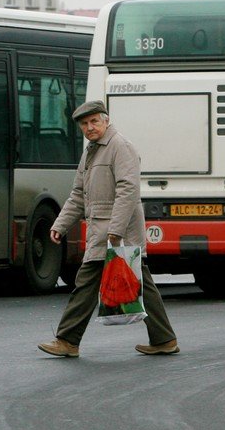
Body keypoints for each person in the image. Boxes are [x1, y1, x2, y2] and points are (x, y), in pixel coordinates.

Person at [38, 100, 178, 358]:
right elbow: (78, 194)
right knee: (139, 285)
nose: (89, 127)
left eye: (94, 122)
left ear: (106, 120)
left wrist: (116, 230)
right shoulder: (91, 151)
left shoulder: (120, 147)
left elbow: (128, 191)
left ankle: (67, 340)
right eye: (84, 124)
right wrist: (61, 224)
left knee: (87, 283)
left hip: (116, 232)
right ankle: (164, 339)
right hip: (103, 230)